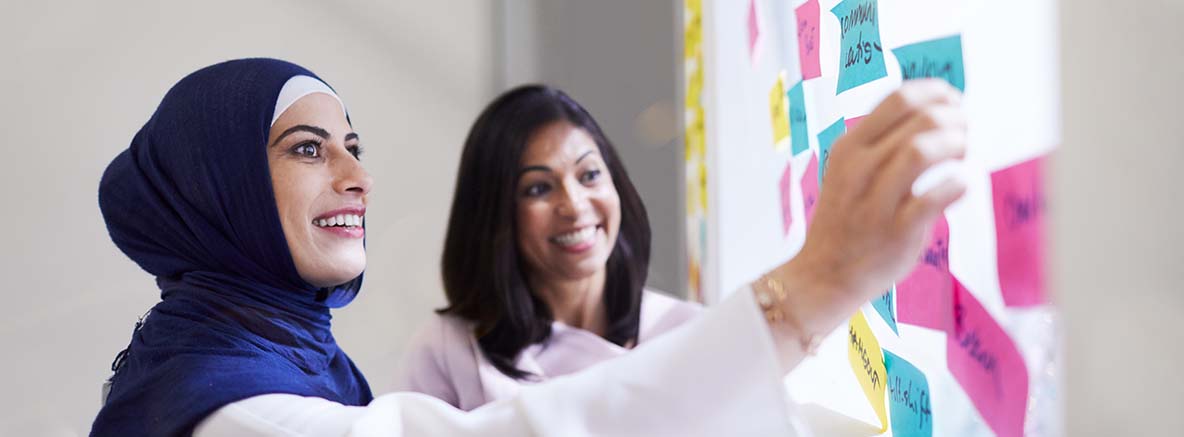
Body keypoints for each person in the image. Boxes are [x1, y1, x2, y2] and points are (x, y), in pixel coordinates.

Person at [91, 58, 966, 436]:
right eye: (308, 148)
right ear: (219, 189)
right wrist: (815, 283)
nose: (356, 176)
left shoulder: (280, 358)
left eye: (355, 145)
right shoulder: (226, 405)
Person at [395, 86, 701, 410]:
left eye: (590, 175)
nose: (574, 205)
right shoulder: (448, 349)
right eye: (538, 188)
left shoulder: (686, 333)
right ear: (494, 212)